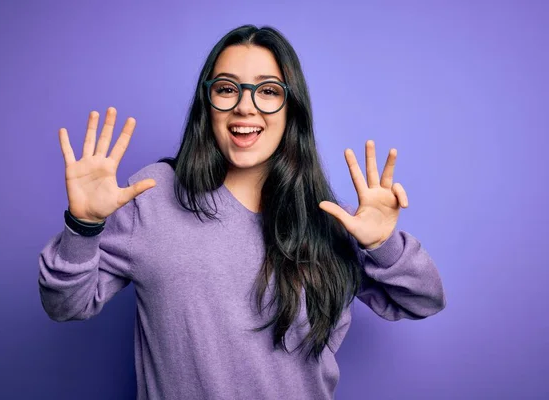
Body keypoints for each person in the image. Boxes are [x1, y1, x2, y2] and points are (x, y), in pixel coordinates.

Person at [39, 25, 446, 400]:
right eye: (227, 88)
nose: (245, 107)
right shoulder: (153, 195)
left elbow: (423, 300)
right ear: (208, 102)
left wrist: (382, 244)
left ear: (291, 109)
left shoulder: (329, 219)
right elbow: (65, 305)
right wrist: (84, 226)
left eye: (268, 91)